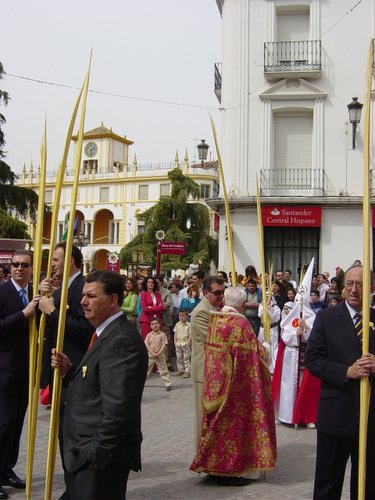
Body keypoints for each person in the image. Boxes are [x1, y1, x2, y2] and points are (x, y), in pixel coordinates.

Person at [51, 270, 148, 500]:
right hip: (84, 454)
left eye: (91, 296)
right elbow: (99, 382)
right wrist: (70, 370)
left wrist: (96, 455)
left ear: (113, 300)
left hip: (98, 460)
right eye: (83, 295)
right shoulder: (105, 333)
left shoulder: (121, 340)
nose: (83, 301)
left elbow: (118, 408)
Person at [190, 286, 276, 485]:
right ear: (243, 304)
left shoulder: (215, 319)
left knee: (218, 426)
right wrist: (267, 347)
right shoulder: (241, 323)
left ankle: (214, 466)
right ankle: (233, 469)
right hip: (237, 386)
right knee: (235, 428)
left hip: (216, 384)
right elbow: (256, 355)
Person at [305, 266, 375, 500]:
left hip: (369, 418)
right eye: (349, 284)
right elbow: (313, 360)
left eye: (361, 284)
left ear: (372, 287)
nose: (354, 290)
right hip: (335, 414)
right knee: (328, 483)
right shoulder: (326, 318)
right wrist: (347, 371)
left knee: (367, 485)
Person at [39, 242, 95, 499]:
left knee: (72, 436)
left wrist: (52, 312)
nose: (52, 264)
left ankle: (75, 489)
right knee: (63, 435)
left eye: (56, 259)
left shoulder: (81, 288)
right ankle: (72, 487)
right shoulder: (63, 288)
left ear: (71, 260)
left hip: (73, 369)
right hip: (58, 370)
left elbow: (84, 329)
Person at [0, 250, 40, 499]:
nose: (19, 268)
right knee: (2, 424)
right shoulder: (2, 292)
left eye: (24, 265)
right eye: (15, 265)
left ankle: (6, 469)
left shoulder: (36, 292)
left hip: (27, 369)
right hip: (4, 369)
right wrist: (23, 314)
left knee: (16, 424)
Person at [191, 276, 225, 450]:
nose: (221, 296)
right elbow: (215, 340)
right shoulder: (201, 312)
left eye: (223, 292)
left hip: (215, 369)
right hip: (204, 370)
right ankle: (202, 455)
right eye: (217, 293)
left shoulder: (214, 308)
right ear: (205, 292)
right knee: (203, 417)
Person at [144, 317, 172, 391]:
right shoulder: (149, 335)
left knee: (163, 369)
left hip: (160, 355)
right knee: (146, 369)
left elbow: (164, 344)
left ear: (159, 324)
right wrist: (152, 353)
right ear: (150, 326)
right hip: (151, 355)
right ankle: (142, 382)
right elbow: (146, 344)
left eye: (156, 323)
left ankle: (168, 383)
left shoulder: (162, 335)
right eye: (152, 324)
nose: (155, 325)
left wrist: (159, 353)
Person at [139, 276, 164, 340]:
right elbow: (145, 309)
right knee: (147, 340)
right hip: (146, 320)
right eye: (149, 282)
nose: (151, 284)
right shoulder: (143, 294)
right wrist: (156, 307)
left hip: (157, 320)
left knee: (158, 339)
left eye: (152, 282)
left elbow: (161, 307)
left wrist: (150, 307)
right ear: (146, 284)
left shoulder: (158, 294)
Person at [173, 309, 191, 377]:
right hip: (178, 343)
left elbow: (190, 335)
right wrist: (175, 342)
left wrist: (188, 343)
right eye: (180, 315)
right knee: (179, 357)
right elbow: (175, 333)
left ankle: (187, 371)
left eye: (183, 315)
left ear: (187, 316)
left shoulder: (189, 325)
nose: (181, 317)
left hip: (185, 343)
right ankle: (180, 370)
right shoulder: (178, 324)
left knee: (186, 358)